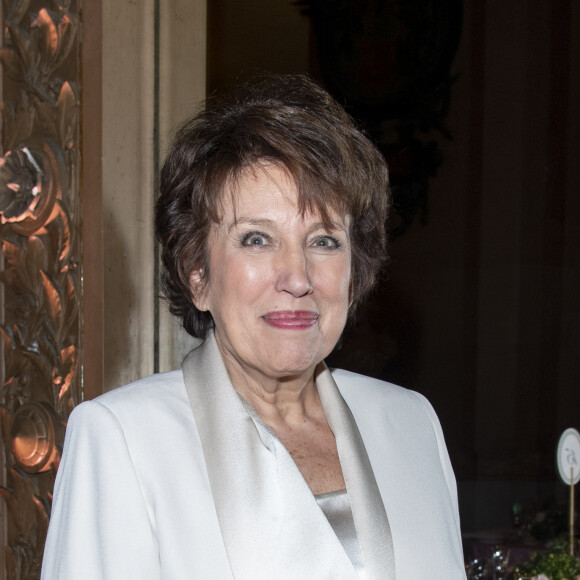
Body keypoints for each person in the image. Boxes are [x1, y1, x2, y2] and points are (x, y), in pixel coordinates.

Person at [41, 74, 465, 579]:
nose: (298, 277)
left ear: (356, 273)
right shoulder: (123, 441)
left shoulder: (411, 425)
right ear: (198, 274)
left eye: (324, 241)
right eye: (257, 239)